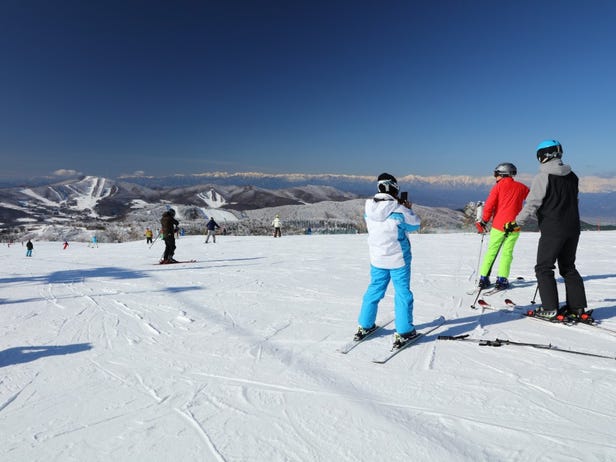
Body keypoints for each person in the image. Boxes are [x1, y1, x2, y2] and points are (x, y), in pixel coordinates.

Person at [510, 140, 589, 321]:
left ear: (543, 156)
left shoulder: (542, 177)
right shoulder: (573, 176)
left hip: (553, 228)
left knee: (544, 267)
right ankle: (577, 307)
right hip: (573, 227)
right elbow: (574, 201)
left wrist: (516, 222)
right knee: (568, 267)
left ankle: (550, 308)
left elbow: (532, 204)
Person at [354, 173, 421, 349]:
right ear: (394, 188)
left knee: (374, 289)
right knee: (402, 293)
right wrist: (408, 208)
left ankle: (364, 325)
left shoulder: (369, 209)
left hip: (377, 258)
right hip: (398, 258)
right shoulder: (399, 210)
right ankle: (404, 331)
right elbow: (415, 224)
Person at [475, 163, 529, 290]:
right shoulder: (522, 188)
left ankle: (484, 279)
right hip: (514, 226)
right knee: (507, 253)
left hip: (498, 226)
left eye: (496, 174)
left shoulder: (498, 187)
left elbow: (489, 205)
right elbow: (533, 201)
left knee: (492, 251)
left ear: (503, 174)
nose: (495, 177)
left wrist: (484, 221)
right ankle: (502, 279)